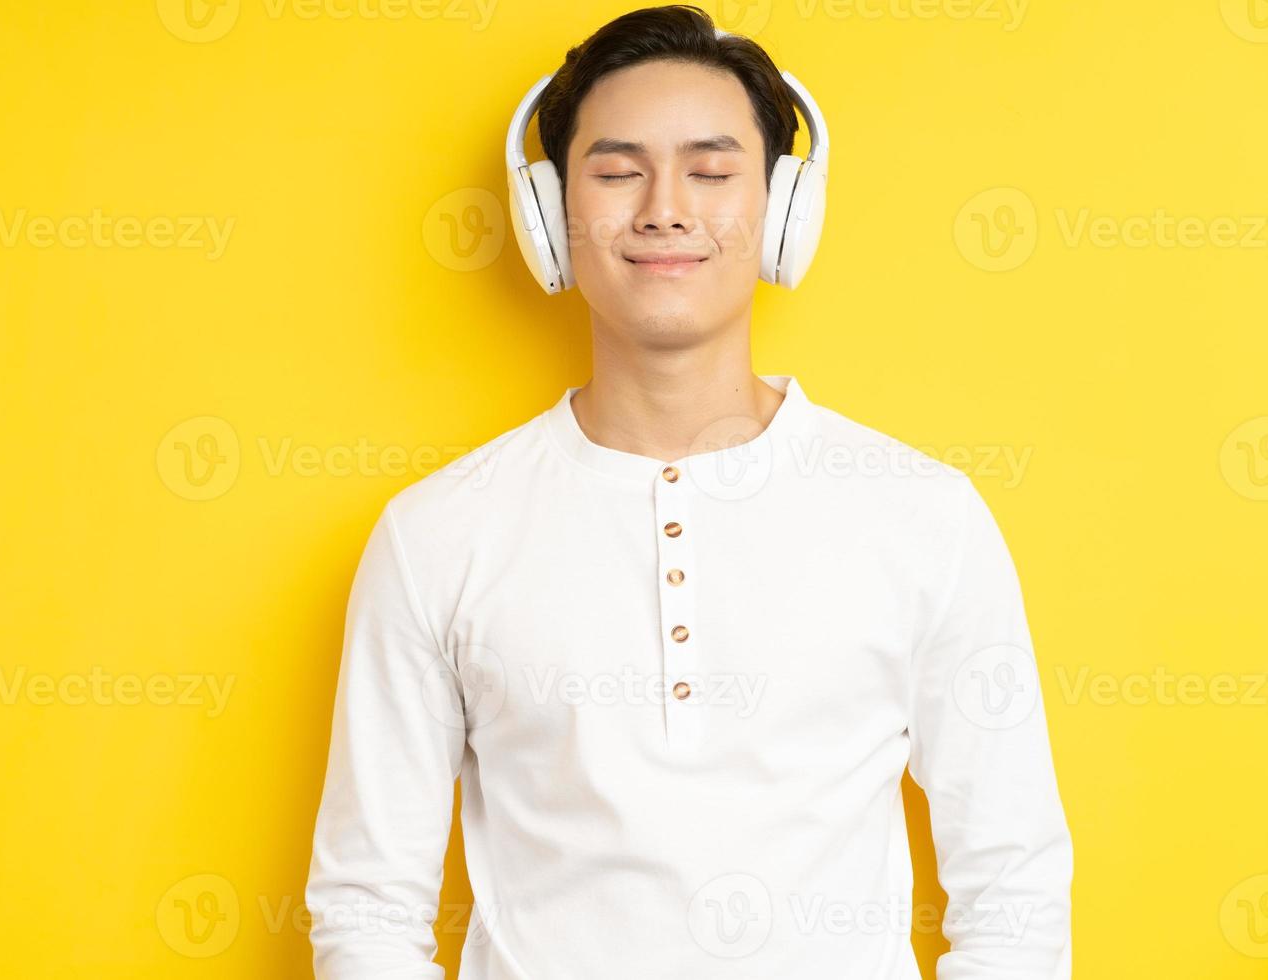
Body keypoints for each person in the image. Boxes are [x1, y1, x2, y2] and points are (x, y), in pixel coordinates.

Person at [305, 5, 1072, 977]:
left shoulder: (924, 515)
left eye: (711, 172)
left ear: (786, 210)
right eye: (618, 170)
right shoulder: (436, 534)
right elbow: (368, 906)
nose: (664, 207)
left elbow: (1014, 890)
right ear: (547, 213)